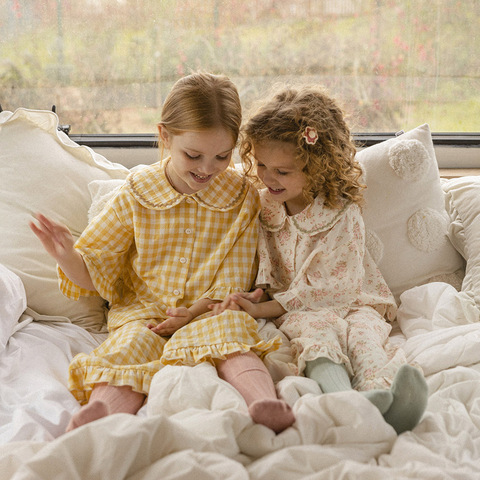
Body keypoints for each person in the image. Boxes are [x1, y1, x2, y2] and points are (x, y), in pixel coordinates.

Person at [30, 72, 295, 434]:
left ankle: (264, 402)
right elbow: (97, 274)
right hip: (145, 313)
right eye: (193, 155)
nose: (207, 169)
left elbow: (235, 275)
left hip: (209, 309)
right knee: (127, 347)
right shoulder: (137, 193)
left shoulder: (240, 197)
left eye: (221, 156)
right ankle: (100, 413)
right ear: (165, 137)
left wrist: (195, 312)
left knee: (232, 334)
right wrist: (66, 256)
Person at [211, 84, 428, 435]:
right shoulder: (265, 206)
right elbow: (264, 265)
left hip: (355, 301)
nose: (267, 177)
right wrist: (259, 294)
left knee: (364, 337)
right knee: (317, 337)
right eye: (262, 165)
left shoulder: (341, 213)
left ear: (318, 166)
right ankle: (346, 401)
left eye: (282, 171)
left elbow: (338, 287)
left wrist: (266, 309)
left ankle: (384, 396)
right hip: (298, 311)